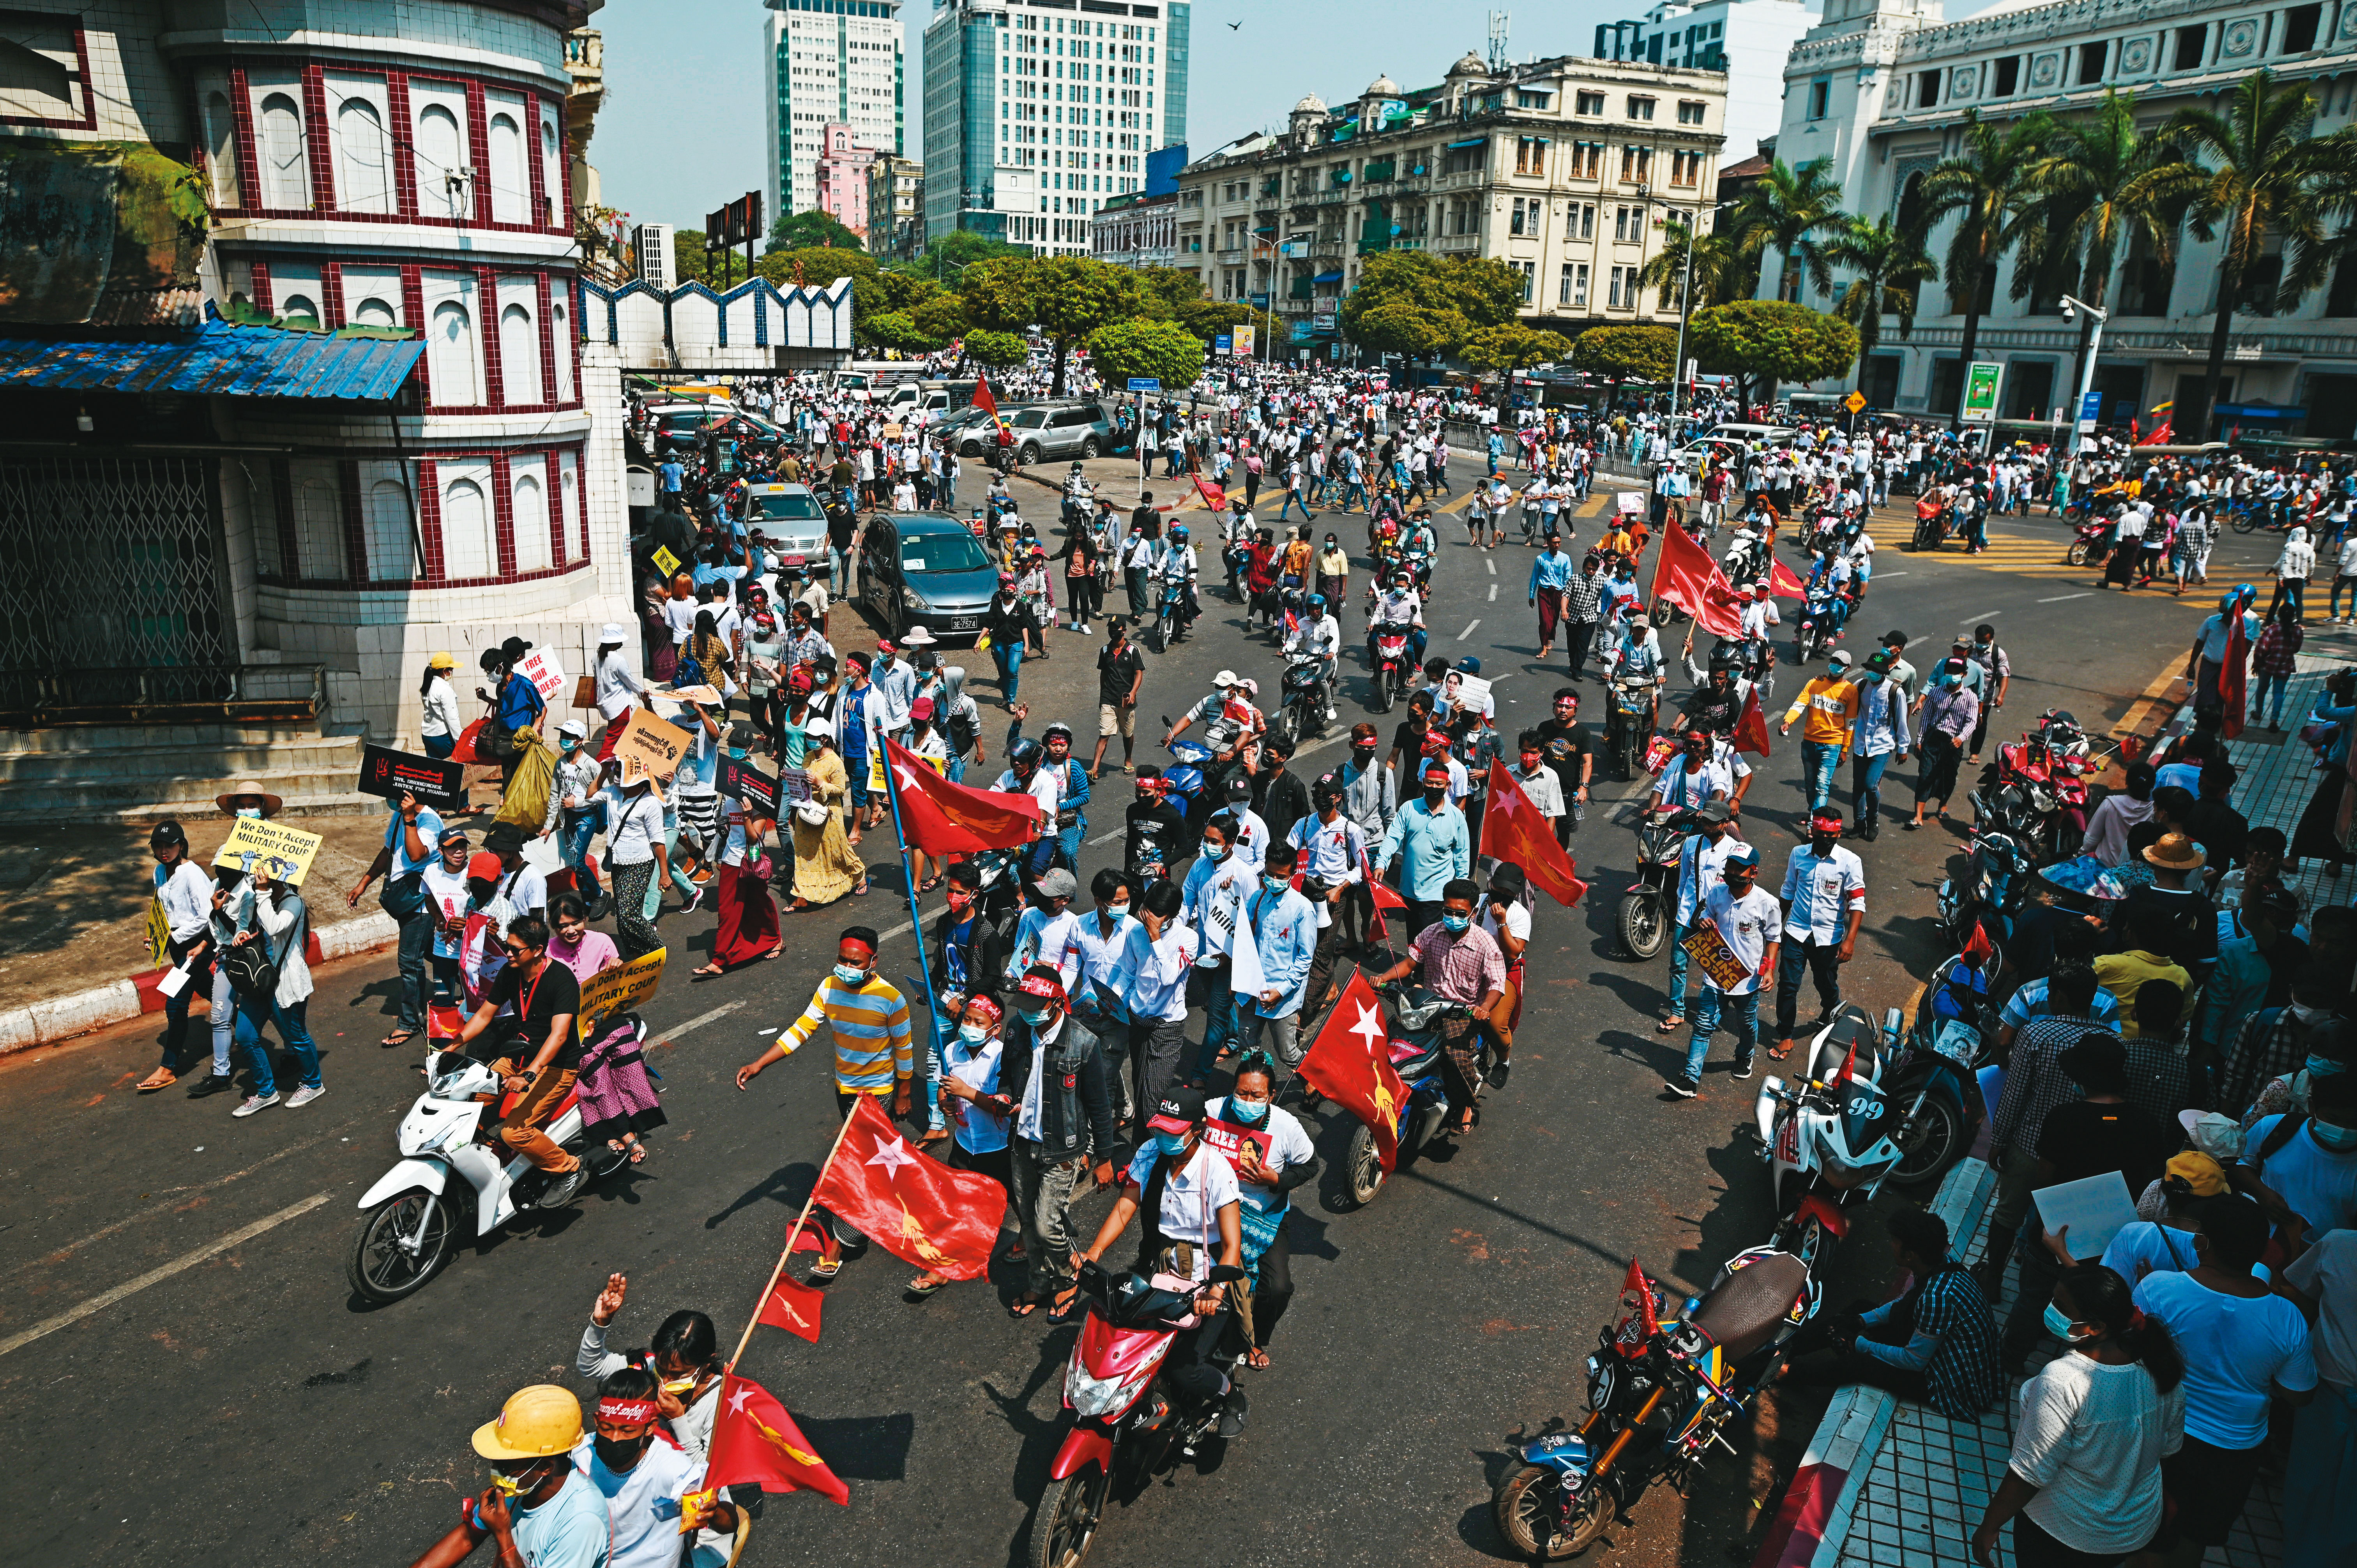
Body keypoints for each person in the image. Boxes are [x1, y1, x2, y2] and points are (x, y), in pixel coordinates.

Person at [2135, 1195, 2319, 1567]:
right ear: (2262, 1252)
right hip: (2234, 1452)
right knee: (2196, 1536)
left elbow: (2136, 1352)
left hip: (2160, 1431)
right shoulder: (2287, 1318)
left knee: (2146, 1534)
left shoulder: (2158, 1288)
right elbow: (2299, 1395)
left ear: (2201, 1243)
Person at [1968, 1264, 2186, 1568]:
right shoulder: (2160, 1367)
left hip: (2065, 1534)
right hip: (2132, 1531)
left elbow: (2029, 1474)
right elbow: (2169, 1449)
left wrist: (1989, 1525)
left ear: (2095, 1327)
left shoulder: (2063, 1381)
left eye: (2061, 1306)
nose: (2051, 1310)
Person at [734, 928, 915, 1277]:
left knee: (858, 1166)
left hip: (876, 1095)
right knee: (867, 1161)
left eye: (855, 962)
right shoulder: (829, 988)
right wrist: (760, 1064)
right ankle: (890, 1198)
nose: (846, 967)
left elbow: (904, 1050)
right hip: (844, 1090)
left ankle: (842, 1244)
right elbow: (802, 1028)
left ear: (874, 962)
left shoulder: (892, 1000)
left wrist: (904, 1094)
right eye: (842, 960)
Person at [1074, 1083, 1249, 1440]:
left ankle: (1233, 1399)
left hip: (1204, 1279)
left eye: (1174, 1132)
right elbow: (1124, 1209)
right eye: (1160, 1130)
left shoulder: (1217, 1171)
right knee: (1121, 1338)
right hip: (1156, 1269)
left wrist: (1215, 1293)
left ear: (1198, 1129)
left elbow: (1233, 1245)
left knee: (1184, 1370)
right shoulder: (1150, 1153)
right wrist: (1094, 1252)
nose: (1164, 1139)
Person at [2001, 1033, 2178, 1370]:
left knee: (2033, 1298)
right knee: (2096, 1304)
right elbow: (2149, 1184)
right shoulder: (2146, 1124)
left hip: (2056, 1235)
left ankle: (2010, 1360)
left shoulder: (2063, 1118)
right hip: (2111, 1244)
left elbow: (2044, 1178)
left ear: (2082, 1078)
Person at [1783, 1209, 1998, 1416]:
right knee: (1860, 1310)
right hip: (1938, 1351)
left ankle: (1788, 1373)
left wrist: (1859, 1343)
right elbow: (1904, 1304)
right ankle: (1787, 1348)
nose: (1891, 1245)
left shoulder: (1936, 1300)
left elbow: (1914, 1361)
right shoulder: (1940, 1264)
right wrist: (1859, 1321)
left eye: (1895, 1242)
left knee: (1859, 1364)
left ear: (1910, 1255)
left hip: (1950, 1384)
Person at [1000, 964, 1123, 1320]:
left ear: (1056, 1004)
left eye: (1035, 1006)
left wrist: (1104, 1158)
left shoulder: (1084, 1043)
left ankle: (1069, 1277)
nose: (1027, 1013)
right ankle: (1039, 1282)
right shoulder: (1017, 1030)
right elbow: (1006, 1076)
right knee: (1028, 1221)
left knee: (1047, 1225)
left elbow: (1099, 1106)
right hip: (1022, 1143)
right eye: (1023, 1005)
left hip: (1064, 1150)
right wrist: (1005, 1097)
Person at [406, 1385, 610, 1568]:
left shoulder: (581, 1521)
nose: (495, 1471)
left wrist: (504, 1536)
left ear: (546, 1467)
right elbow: (464, 1539)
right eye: (495, 1462)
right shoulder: (522, 1486)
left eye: (505, 1467)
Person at [448, 915, 585, 1184]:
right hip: (515, 1058)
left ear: (538, 951)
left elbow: (559, 1036)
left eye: (515, 949)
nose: (508, 953)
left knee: (515, 1134)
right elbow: (484, 1015)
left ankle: (570, 1169)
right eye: (507, 946)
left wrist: (530, 1074)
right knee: (460, 1100)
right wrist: (450, 1047)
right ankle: (487, 1153)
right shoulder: (510, 972)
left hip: (553, 1067)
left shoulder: (562, 980)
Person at [1206, 1050, 1319, 1367]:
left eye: (1256, 1096)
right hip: (1214, 1209)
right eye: (1242, 1093)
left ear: (1271, 1096)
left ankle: (1255, 1339)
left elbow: (1310, 1166)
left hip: (1265, 1216)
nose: (1248, 1100)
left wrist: (1277, 1180)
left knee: (1278, 1288)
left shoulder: (1287, 1126)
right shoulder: (1213, 1112)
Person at [1369, 879, 1505, 1135]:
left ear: (1473, 913)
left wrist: (1484, 1008)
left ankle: (1465, 1105)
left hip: (1462, 1013)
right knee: (1389, 1040)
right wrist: (1384, 979)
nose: (1453, 917)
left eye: (1460, 913)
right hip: (1427, 1006)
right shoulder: (1431, 933)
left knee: (1455, 1057)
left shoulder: (1486, 944)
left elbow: (1497, 985)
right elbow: (1410, 963)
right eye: (1448, 911)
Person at [913, 992, 1016, 1296]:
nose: (969, 1026)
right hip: (964, 1144)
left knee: (1018, 1200)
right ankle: (942, 1268)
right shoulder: (952, 1050)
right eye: (967, 1019)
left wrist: (967, 1092)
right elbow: (944, 1089)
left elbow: (1003, 1108)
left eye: (978, 1022)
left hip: (997, 1147)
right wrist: (945, 1102)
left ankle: (1032, 1243)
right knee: (955, 1205)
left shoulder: (1003, 1057)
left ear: (995, 1029)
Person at [1667, 845, 1780, 1098]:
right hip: (1716, 975)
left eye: (1740, 869)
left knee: (1747, 1025)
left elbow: (1774, 938)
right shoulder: (1717, 893)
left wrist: (1769, 970)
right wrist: (1703, 922)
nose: (1733, 872)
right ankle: (1690, 1079)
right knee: (1703, 1025)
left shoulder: (1767, 903)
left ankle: (1745, 1056)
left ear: (1754, 873)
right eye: (1730, 866)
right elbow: (1704, 917)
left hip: (1747, 981)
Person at [574, 1277, 724, 1463]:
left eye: (678, 1374)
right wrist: (600, 1324)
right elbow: (590, 1365)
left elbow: (708, 1469)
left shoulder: (721, 1400)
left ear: (707, 1363)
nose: (665, 1382)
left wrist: (678, 1421)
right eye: (661, 1370)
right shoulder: (644, 1367)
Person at [2279, 1225, 2357, 1567]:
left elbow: (2298, 1297)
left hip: (2329, 1390)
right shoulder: (2338, 1244)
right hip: (2327, 1394)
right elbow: (2300, 1297)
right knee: (2310, 1487)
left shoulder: (2339, 1244)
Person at [349, 788, 445, 1049]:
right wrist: (364, 883)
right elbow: (388, 851)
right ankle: (465, 986)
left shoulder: (429, 820)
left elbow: (416, 855)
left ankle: (410, 1022)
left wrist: (410, 818)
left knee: (409, 962)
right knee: (431, 951)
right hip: (403, 898)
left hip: (421, 903)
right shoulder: (398, 816)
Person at [224, 870, 325, 1115]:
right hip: (259, 980)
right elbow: (242, 925)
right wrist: (240, 934)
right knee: (246, 1036)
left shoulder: (293, 902)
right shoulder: (253, 897)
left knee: (296, 1035)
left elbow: (274, 926)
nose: (257, 877)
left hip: (286, 981)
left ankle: (314, 1084)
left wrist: (262, 893)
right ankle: (266, 1092)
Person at [1770, 809, 1866, 1059]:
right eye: (1820, 834)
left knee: (1826, 984)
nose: (1825, 839)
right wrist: (1773, 929)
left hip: (1829, 937)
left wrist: (1850, 941)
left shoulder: (1850, 862)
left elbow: (1857, 902)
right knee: (1788, 986)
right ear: (1812, 831)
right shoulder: (1798, 854)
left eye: (1830, 835)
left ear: (1839, 834)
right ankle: (1786, 1035)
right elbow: (1788, 891)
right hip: (1796, 932)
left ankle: (1830, 1011)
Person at [139, 820, 220, 1093]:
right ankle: (244, 1025)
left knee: (175, 1004)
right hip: (175, 944)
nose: (164, 851)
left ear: (182, 846)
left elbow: (206, 916)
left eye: (170, 846)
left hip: (197, 945)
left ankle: (167, 1068)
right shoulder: (159, 872)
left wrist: (175, 936)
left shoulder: (192, 874)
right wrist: (157, 937)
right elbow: (164, 909)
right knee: (208, 988)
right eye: (158, 846)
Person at [1658, 799, 1747, 1035]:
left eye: (1713, 823)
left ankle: (1713, 1013)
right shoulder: (1691, 844)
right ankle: (1677, 1011)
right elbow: (1684, 879)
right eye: (1705, 821)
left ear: (1725, 823)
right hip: (1688, 914)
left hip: (1718, 920)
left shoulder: (1734, 851)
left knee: (1718, 971)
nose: (1707, 826)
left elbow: (1738, 888)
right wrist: (1683, 907)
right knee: (1678, 963)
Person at [1233, 842, 1320, 1069]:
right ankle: (1256, 1086)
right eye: (1270, 874)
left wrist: (1281, 991)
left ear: (1292, 874)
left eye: (1281, 877)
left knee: (1288, 1054)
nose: (1273, 880)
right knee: (1247, 1050)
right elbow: (1243, 935)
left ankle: (1313, 1078)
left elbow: (1305, 958)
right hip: (1252, 991)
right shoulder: (1257, 899)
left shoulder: (1303, 909)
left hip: (1283, 997)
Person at [1376, 759, 1472, 938]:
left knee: (1431, 942)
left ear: (1448, 785)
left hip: (1438, 894)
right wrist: (1381, 863)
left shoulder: (1457, 817)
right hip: (1409, 891)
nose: (1434, 787)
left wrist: (1461, 889)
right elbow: (1392, 838)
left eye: (1439, 784)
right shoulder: (1408, 809)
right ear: (1423, 782)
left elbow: (1462, 855)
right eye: (1430, 783)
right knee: (1413, 941)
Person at [786, 723, 868, 908]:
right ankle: (801, 895)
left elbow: (840, 790)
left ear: (824, 739)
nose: (810, 740)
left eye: (814, 737)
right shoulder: (808, 757)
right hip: (807, 810)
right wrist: (791, 777)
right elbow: (803, 782)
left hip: (829, 814)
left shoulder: (835, 762)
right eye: (808, 736)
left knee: (838, 851)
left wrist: (820, 783)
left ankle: (860, 876)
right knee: (805, 853)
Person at [1779, 651, 1861, 813]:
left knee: (1822, 786)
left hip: (1832, 746)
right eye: (1834, 661)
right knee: (1810, 784)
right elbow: (1799, 705)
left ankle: (1814, 823)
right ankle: (1814, 813)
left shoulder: (1851, 691)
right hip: (1809, 743)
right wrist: (1788, 721)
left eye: (1840, 664)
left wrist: (1845, 749)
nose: (1836, 666)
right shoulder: (1814, 683)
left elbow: (1850, 723)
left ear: (1848, 668)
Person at [1907, 655, 1979, 830]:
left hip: (1954, 742)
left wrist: (1961, 738)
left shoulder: (1971, 697)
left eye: (1956, 672)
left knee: (1949, 777)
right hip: (1933, 739)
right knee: (1925, 775)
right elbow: (1926, 717)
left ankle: (1943, 805)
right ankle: (1918, 817)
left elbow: (1972, 722)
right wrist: (1920, 740)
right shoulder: (1936, 692)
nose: (1952, 675)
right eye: (1950, 672)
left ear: (1964, 674)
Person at [1092, 619, 1147, 777]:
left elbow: (1139, 673)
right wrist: (1102, 696)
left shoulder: (1133, 650)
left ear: (1124, 631)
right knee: (1104, 734)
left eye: (1116, 629)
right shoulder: (1104, 651)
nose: (1113, 631)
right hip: (1108, 698)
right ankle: (1095, 769)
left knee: (1127, 734)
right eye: (1111, 628)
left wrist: (1133, 693)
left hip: (1126, 701)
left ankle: (1128, 759)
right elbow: (1103, 673)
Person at [419, 651, 464, 759]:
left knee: (435, 768)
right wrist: (461, 741)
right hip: (442, 736)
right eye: (451, 669)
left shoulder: (428, 685)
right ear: (445, 671)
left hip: (427, 735)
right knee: (454, 765)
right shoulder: (445, 690)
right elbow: (452, 719)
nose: (452, 672)